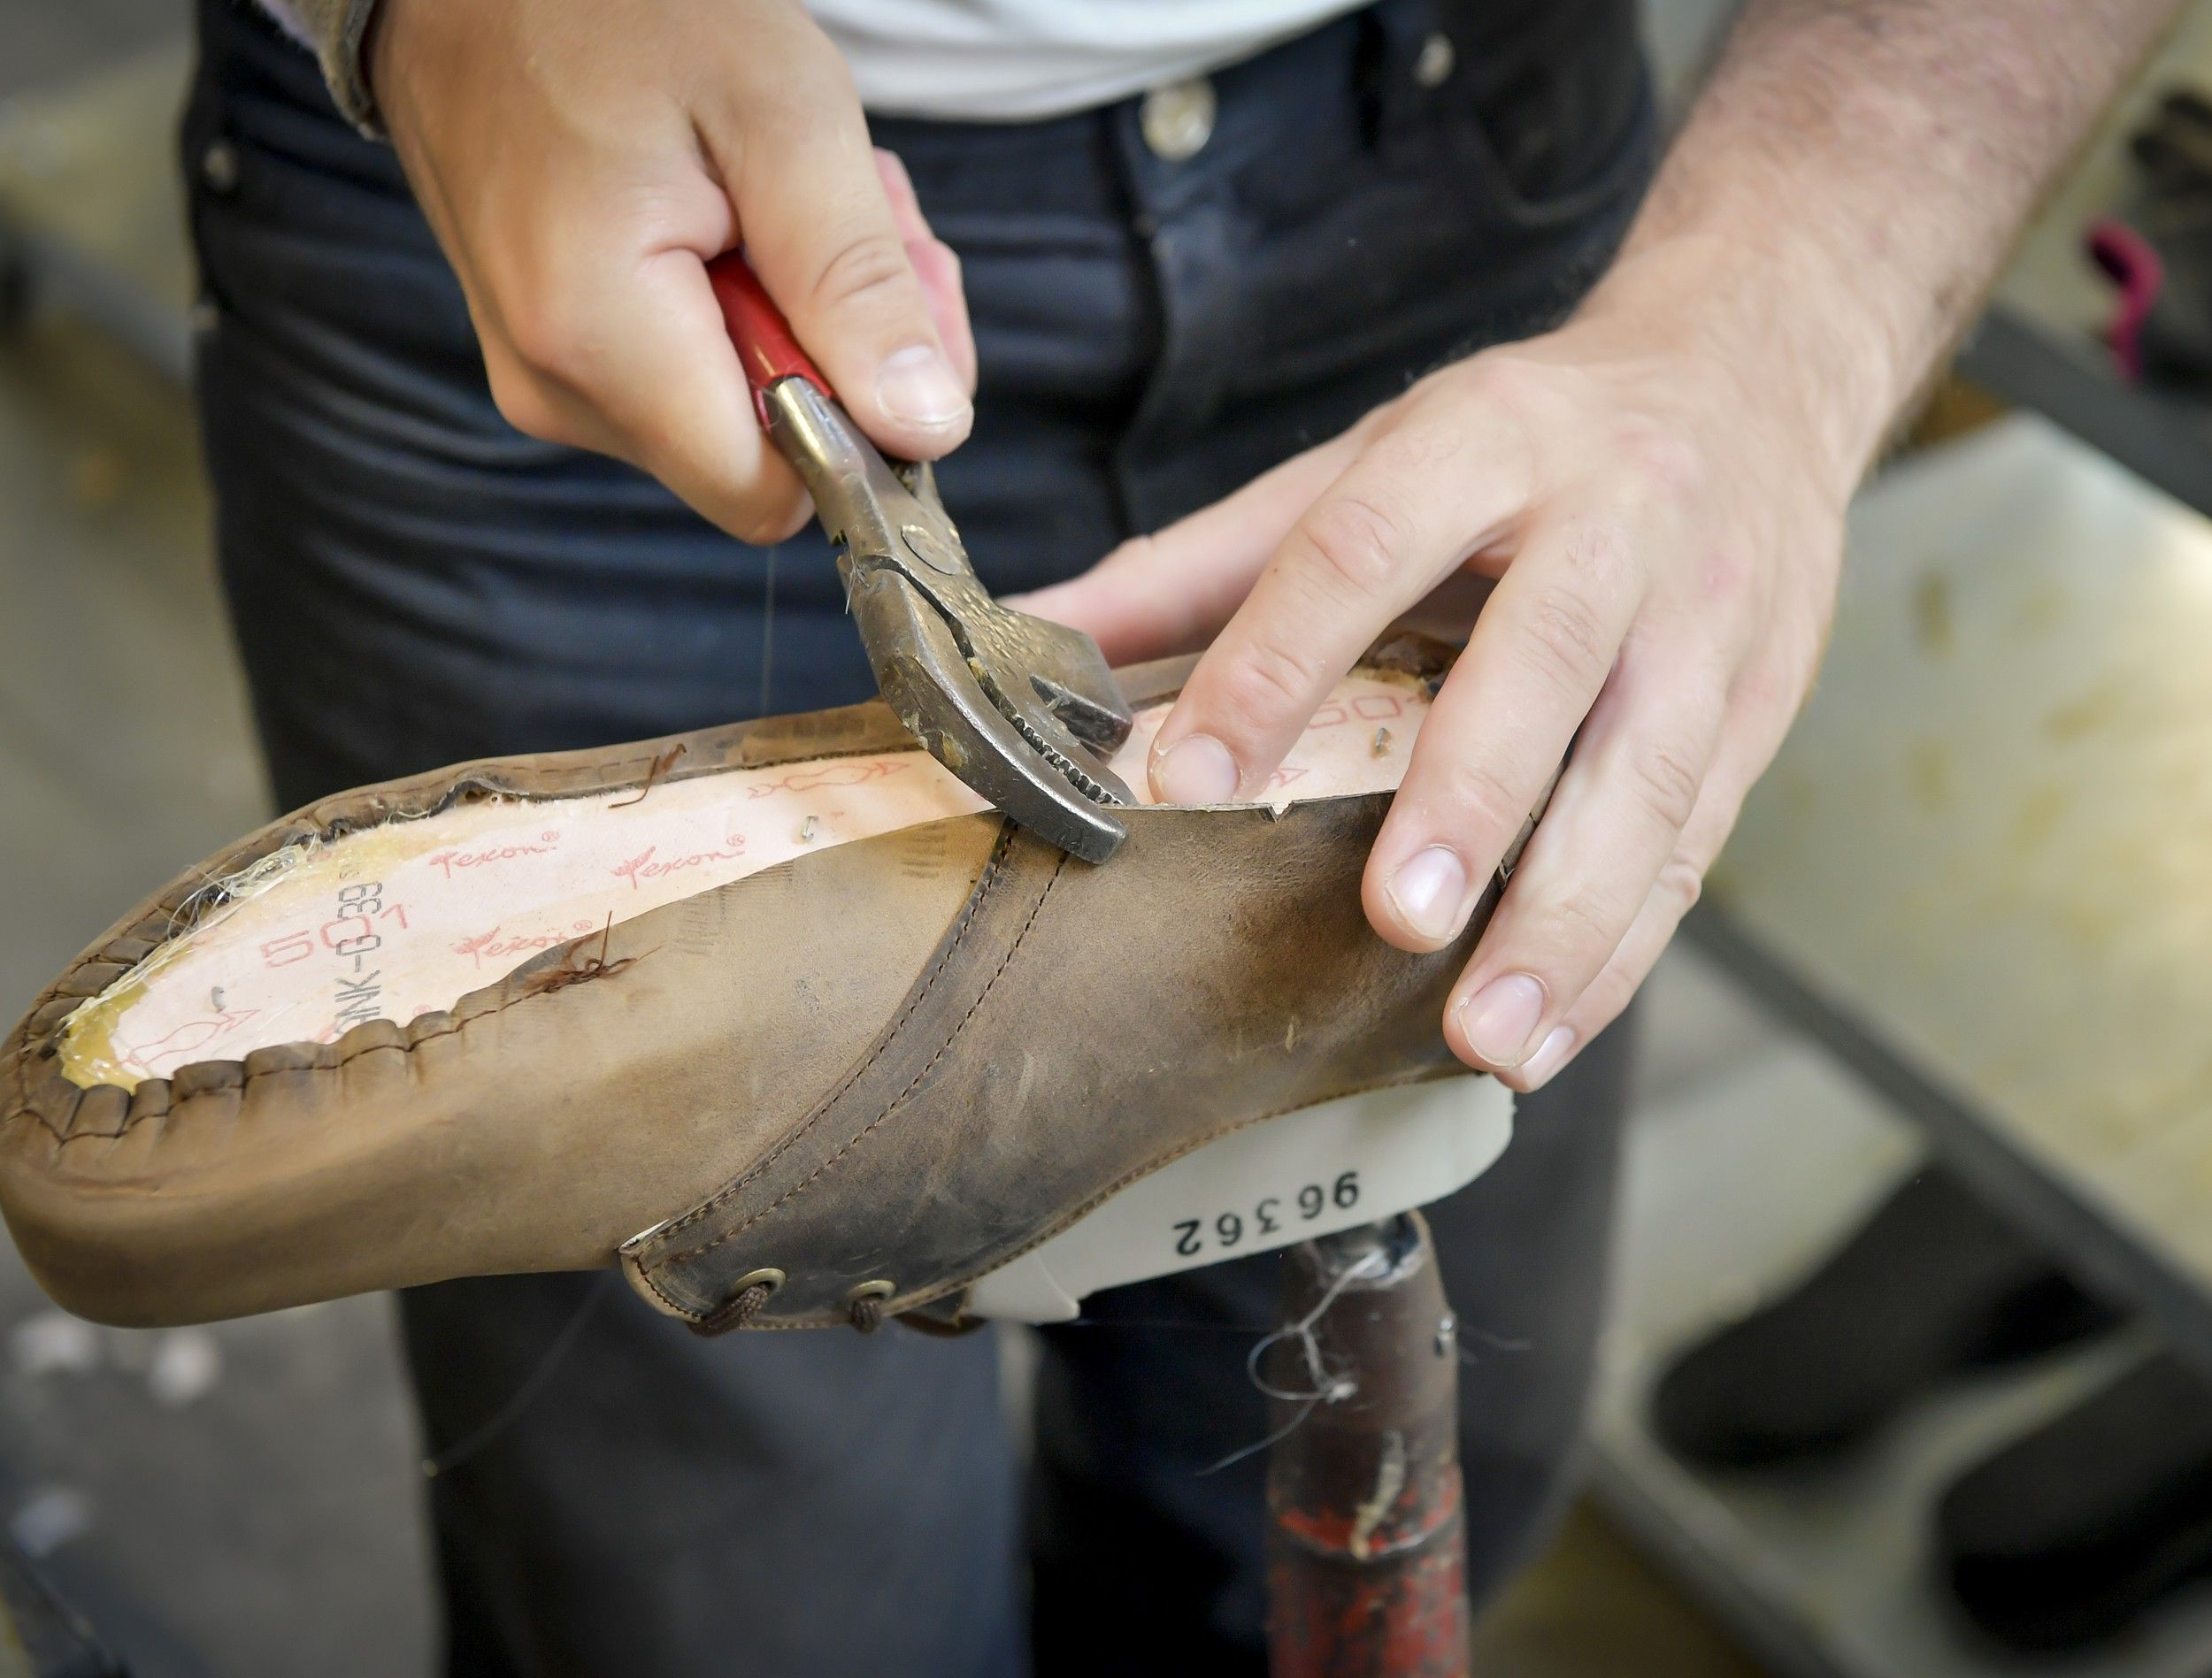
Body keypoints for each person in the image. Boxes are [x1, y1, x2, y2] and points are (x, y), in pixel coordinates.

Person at [187, 0, 2174, 1670]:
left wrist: (1784, 308)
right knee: (738, 1613)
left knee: (1398, 1484)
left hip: (1471, 219)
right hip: (605, 231)